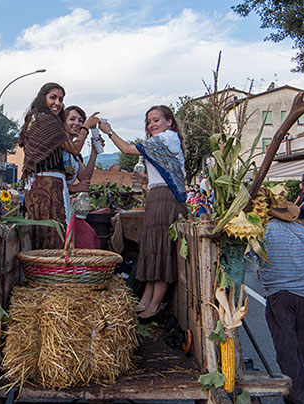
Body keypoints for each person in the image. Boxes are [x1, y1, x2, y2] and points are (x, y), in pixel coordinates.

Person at [99, 105, 187, 319]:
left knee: (161, 249)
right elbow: (164, 175)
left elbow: (127, 150)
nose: (152, 125)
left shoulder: (166, 137)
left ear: (169, 122)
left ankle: (154, 305)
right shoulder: (163, 142)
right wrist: (147, 181)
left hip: (166, 201)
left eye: (156, 120)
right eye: (149, 121)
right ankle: (145, 300)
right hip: (158, 198)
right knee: (151, 249)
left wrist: (109, 131)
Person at [18, 82, 99, 249]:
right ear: (43, 98)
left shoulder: (38, 118)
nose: (58, 103)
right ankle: (52, 272)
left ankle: (49, 272)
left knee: (49, 236)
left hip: (46, 186)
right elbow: (75, 149)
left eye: (61, 99)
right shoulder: (46, 120)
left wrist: (94, 151)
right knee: (54, 238)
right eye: (53, 98)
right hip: (48, 187)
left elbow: (82, 172)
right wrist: (86, 128)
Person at [261, 200, 304, 404]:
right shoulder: (302, 231)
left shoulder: (265, 231)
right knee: (300, 342)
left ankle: (296, 394)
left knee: (286, 345)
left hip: (279, 295)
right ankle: (298, 377)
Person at [63, 105, 103, 249]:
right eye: (72, 119)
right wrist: (74, 188)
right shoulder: (59, 147)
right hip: (56, 205)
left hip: (68, 205)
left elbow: (85, 177)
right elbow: (52, 180)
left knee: (89, 237)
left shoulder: (75, 154)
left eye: (81, 120)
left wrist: (94, 153)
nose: (77, 123)